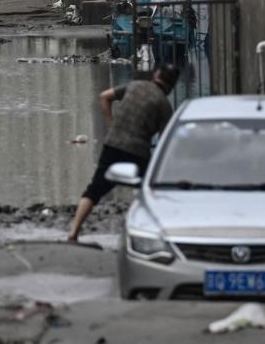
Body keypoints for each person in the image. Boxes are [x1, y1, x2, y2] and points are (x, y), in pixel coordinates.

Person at [66, 62, 181, 242]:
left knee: (94, 190)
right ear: (172, 85)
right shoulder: (164, 105)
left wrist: (112, 124)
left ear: (156, 74)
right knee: (149, 192)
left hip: (113, 144)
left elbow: (104, 97)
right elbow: (165, 141)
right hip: (139, 152)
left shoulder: (134, 86)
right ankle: (150, 234)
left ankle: (74, 232)